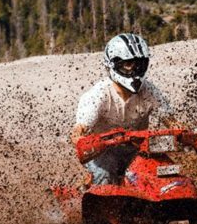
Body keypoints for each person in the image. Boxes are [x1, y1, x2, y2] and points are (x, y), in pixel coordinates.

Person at [71, 33, 177, 185]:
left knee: (168, 171)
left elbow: (172, 122)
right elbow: (78, 131)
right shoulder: (98, 95)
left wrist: (189, 135)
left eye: (139, 64)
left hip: (138, 149)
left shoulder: (149, 91)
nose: (134, 70)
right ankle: (100, 204)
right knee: (104, 174)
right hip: (102, 153)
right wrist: (84, 142)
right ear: (113, 65)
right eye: (128, 64)